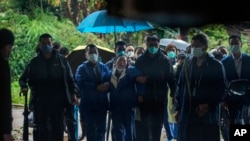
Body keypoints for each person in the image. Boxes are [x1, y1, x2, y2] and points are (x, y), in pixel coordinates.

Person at [19, 33, 80, 141]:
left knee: (58, 130)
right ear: (39, 45)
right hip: (41, 104)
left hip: (59, 104)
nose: (46, 45)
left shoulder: (62, 61)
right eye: (43, 43)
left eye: (48, 43)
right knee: (43, 132)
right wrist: (23, 87)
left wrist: (74, 93)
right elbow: (23, 79)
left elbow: (71, 80)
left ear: (52, 44)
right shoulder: (34, 62)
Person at [175, 33, 227, 141]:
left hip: (207, 115)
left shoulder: (216, 65)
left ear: (205, 47)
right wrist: (178, 109)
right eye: (192, 45)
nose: (194, 48)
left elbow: (222, 90)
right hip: (187, 113)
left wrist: (208, 105)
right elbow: (179, 87)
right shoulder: (187, 64)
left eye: (197, 45)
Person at [135, 35, 176, 141]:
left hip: (159, 98)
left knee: (157, 126)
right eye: (150, 44)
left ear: (158, 45)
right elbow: (135, 78)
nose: (152, 46)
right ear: (146, 45)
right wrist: (138, 94)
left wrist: (174, 93)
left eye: (155, 44)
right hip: (144, 99)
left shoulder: (165, 60)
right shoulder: (140, 60)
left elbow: (171, 78)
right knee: (144, 126)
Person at [75, 44, 110, 141]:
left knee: (102, 130)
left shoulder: (104, 67)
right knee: (91, 130)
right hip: (88, 105)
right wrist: (96, 87)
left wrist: (107, 84)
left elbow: (109, 78)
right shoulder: (81, 68)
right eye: (90, 52)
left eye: (95, 52)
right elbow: (80, 82)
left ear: (98, 54)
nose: (93, 54)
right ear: (86, 54)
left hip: (102, 104)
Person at [109, 54, 144, 141]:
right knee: (118, 130)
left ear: (127, 62)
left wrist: (140, 94)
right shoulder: (110, 73)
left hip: (129, 106)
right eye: (120, 60)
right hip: (115, 106)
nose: (122, 63)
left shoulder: (131, 71)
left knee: (129, 130)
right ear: (115, 62)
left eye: (124, 61)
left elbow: (141, 80)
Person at [221, 34, 250, 141]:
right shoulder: (224, 62)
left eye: (236, 43)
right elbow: (222, 82)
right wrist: (223, 99)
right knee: (233, 123)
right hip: (231, 99)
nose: (234, 45)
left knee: (245, 122)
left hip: (247, 98)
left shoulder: (248, 60)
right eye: (232, 44)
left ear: (241, 44)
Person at [0, 28, 15, 141]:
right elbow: (5, 98)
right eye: (10, 48)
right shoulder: (3, 65)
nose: (10, 51)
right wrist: (7, 130)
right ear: (6, 46)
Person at [164, 44, 179, 141]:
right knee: (167, 118)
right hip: (165, 95)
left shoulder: (179, 64)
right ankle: (169, 136)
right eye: (169, 51)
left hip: (174, 95)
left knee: (176, 116)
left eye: (173, 50)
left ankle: (176, 136)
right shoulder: (164, 63)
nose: (171, 52)